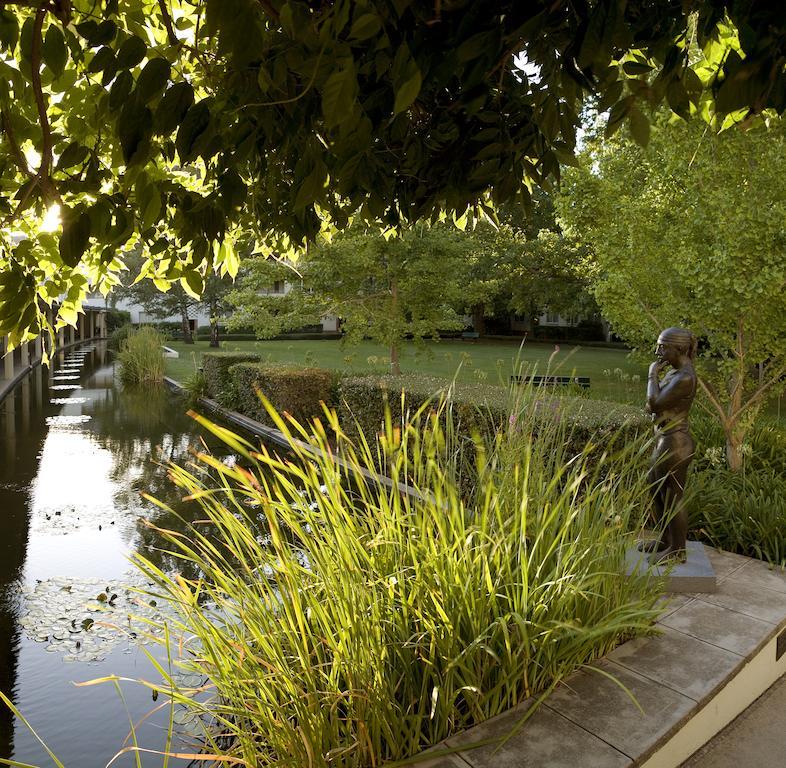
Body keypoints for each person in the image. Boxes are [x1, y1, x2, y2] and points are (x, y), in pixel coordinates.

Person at [639, 327, 697, 563]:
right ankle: (665, 540)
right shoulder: (675, 373)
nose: (657, 352)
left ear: (680, 349)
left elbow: (653, 403)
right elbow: (654, 403)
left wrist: (652, 374)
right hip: (664, 439)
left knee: (673, 496)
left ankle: (677, 551)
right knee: (656, 489)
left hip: (675, 443)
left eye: (663, 346)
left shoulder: (685, 377)